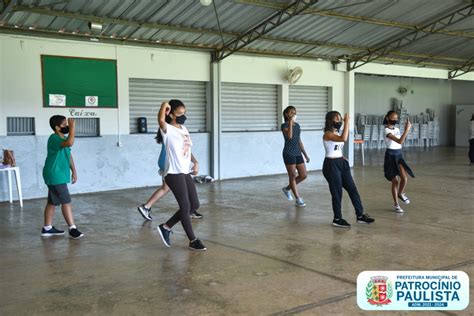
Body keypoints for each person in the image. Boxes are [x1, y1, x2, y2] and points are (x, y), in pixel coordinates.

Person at [156, 99, 206, 251]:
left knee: (194, 205)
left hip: (184, 171)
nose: (183, 116)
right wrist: (165, 104)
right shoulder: (167, 130)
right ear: (171, 114)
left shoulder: (184, 129)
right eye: (179, 113)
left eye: (184, 113)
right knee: (185, 206)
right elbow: (160, 119)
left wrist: (195, 162)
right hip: (173, 173)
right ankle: (192, 240)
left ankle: (166, 227)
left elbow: (187, 149)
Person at [322, 111, 374, 228]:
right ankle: (337, 218)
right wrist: (347, 123)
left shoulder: (335, 132)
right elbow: (343, 138)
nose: (339, 121)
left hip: (340, 162)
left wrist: (341, 157)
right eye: (336, 119)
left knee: (352, 189)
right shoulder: (327, 134)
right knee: (337, 193)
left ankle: (360, 215)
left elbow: (337, 146)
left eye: (340, 119)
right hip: (331, 165)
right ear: (330, 121)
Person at [137, 141, 203, 221]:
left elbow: (184, 149)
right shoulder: (173, 131)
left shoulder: (176, 131)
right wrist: (195, 162)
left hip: (167, 161)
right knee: (182, 184)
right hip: (170, 162)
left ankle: (146, 207)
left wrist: (195, 162)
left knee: (166, 188)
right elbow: (183, 149)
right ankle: (189, 210)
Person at [41, 116, 83, 239]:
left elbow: (69, 154)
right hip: (54, 174)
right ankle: (72, 228)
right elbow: (70, 142)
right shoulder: (53, 138)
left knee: (52, 202)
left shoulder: (63, 137)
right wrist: (73, 128)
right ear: (57, 127)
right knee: (66, 201)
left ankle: (47, 228)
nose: (67, 126)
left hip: (57, 174)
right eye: (65, 124)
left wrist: (74, 171)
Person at [383, 110, 415, 213]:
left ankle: (400, 194)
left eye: (397, 118)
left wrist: (406, 130)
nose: (395, 120)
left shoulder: (396, 129)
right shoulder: (386, 131)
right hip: (390, 156)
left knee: (404, 178)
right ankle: (396, 204)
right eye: (393, 118)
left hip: (399, 154)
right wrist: (407, 129)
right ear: (387, 118)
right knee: (395, 181)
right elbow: (400, 141)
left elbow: (401, 141)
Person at [280, 106, 309, 207]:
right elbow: (289, 136)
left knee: (303, 175)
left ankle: (287, 189)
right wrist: (290, 123)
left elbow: (299, 141)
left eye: (294, 112)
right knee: (292, 176)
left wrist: (305, 155)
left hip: (297, 152)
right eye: (291, 113)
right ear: (287, 114)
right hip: (289, 153)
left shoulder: (298, 126)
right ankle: (298, 199)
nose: (294, 114)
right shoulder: (284, 126)